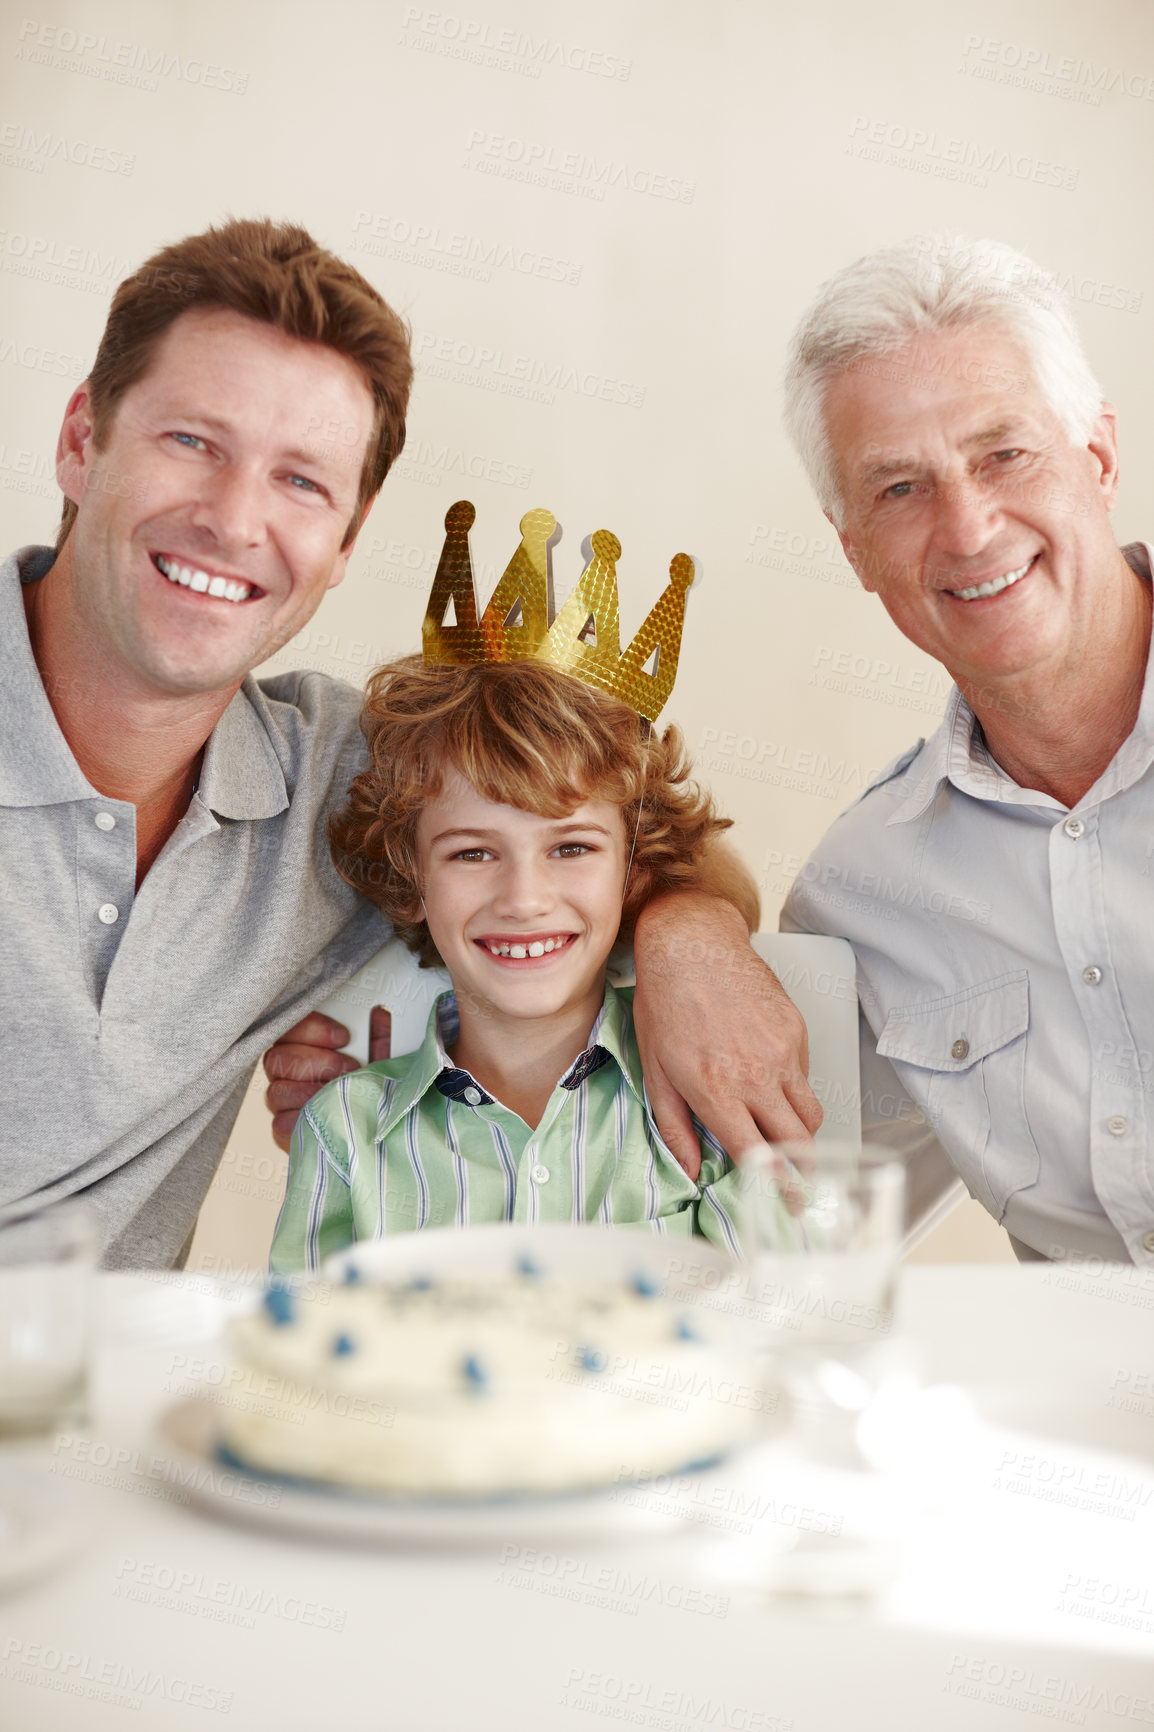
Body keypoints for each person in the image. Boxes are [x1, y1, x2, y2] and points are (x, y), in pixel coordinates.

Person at [2, 216, 817, 1269]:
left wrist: (687, 937)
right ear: (80, 441)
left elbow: (620, 827)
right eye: (193, 441)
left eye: (301, 480)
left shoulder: (334, 777)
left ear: (346, 538)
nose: (235, 519)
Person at [781, 233, 1154, 1265]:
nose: (968, 525)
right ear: (852, 546)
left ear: (1098, 455)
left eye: (1002, 453)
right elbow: (790, 1244)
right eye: (898, 488)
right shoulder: (860, 897)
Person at [271, 657, 762, 1269]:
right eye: (473, 853)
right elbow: (306, 1350)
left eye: (572, 847)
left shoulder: (712, 1094)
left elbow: (776, 1335)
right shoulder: (343, 1131)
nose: (524, 899)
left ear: (632, 871)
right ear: (411, 876)